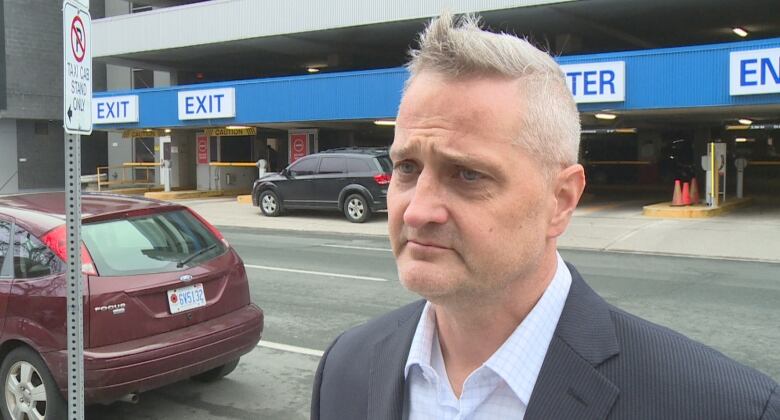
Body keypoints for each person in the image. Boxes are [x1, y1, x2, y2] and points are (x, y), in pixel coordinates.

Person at [311, 13, 779, 420]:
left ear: (561, 200)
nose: (417, 209)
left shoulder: (719, 406)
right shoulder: (345, 369)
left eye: (468, 175)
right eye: (407, 168)